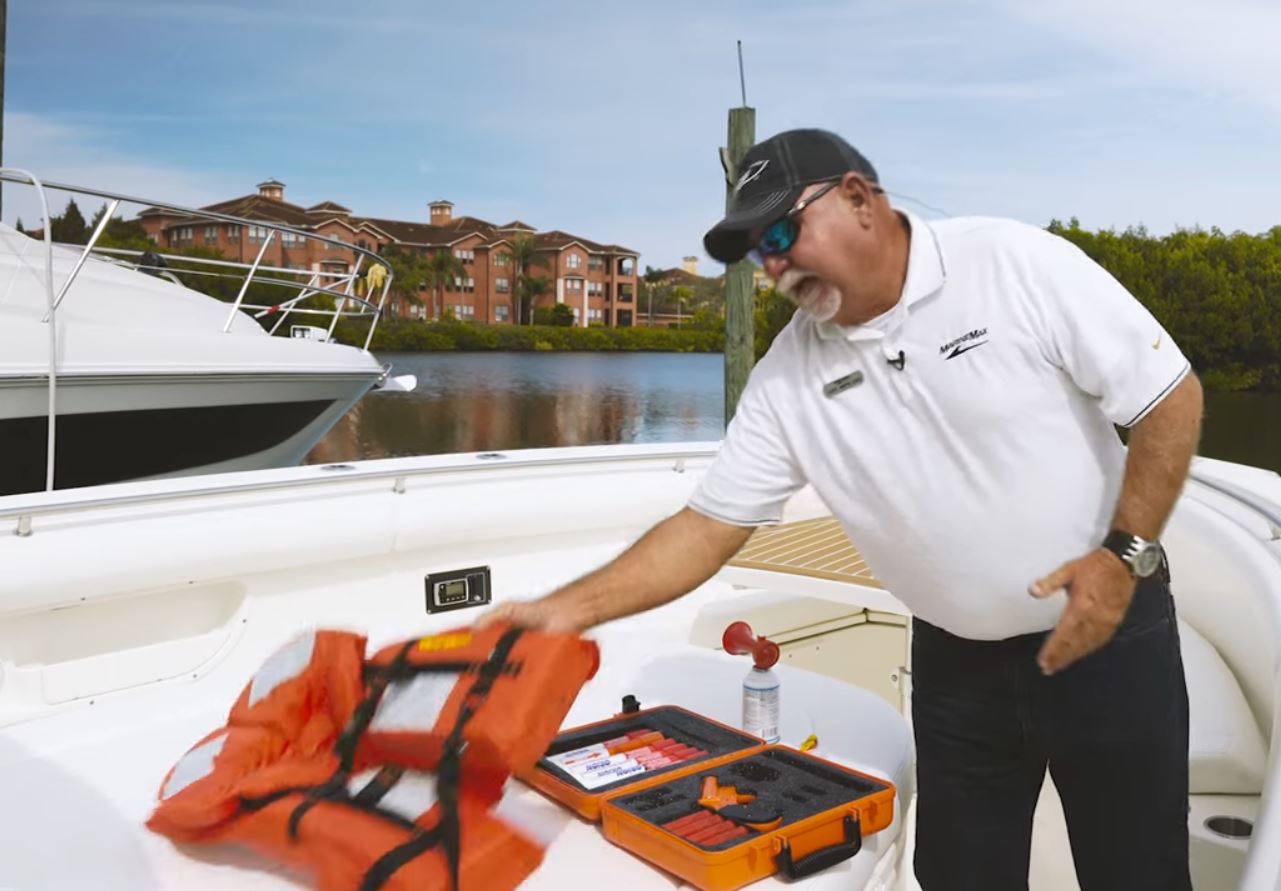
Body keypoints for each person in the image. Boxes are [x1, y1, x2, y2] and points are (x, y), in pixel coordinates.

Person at [480, 128, 1202, 890]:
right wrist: (562, 611)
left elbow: (1167, 397)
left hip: (1109, 635)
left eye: (782, 233)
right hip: (956, 665)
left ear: (858, 198)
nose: (774, 264)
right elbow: (705, 528)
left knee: (1137, 873)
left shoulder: (1010, 263)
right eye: (758, 251)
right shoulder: (788, 375)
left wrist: (1121, 555)